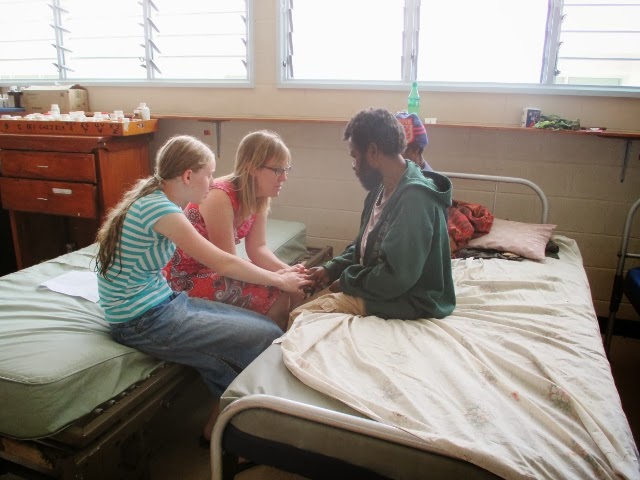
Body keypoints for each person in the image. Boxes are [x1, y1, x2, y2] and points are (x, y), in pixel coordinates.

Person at [95, 135, 309, 443]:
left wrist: (282, 276)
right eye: (208, 174)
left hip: (164, 303)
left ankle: (232, 413)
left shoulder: (160, 201)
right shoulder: (160, 210)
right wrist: (280, 280)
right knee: (265, 335)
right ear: (187, 176)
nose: (212, 181)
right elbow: (223, 262)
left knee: (263, 331)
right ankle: (224, 427)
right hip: (141, 321)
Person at [292, 108, 455, 325]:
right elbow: (364, 247)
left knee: (298, 317)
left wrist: (347, 281)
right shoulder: (381, 188)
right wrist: (331, 268)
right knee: (300, 302)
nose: (353, 165)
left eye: (355, 156)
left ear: (373, 151)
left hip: (411, 300)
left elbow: (397, 277)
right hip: (384, 289)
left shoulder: (415, 200)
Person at [164, 130, 305, 331]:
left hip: (216, 268)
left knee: (295, 289)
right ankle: (265, 343)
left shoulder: (260, 197)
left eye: (286, 169)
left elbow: (258, 248)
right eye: (277, 170)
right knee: (276, 295)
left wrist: (289, 272)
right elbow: (228, 262)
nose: (284, 177)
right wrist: (280, 280)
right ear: (252, 167)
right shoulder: (219, 196)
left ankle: (275, 338)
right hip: (185, 278)